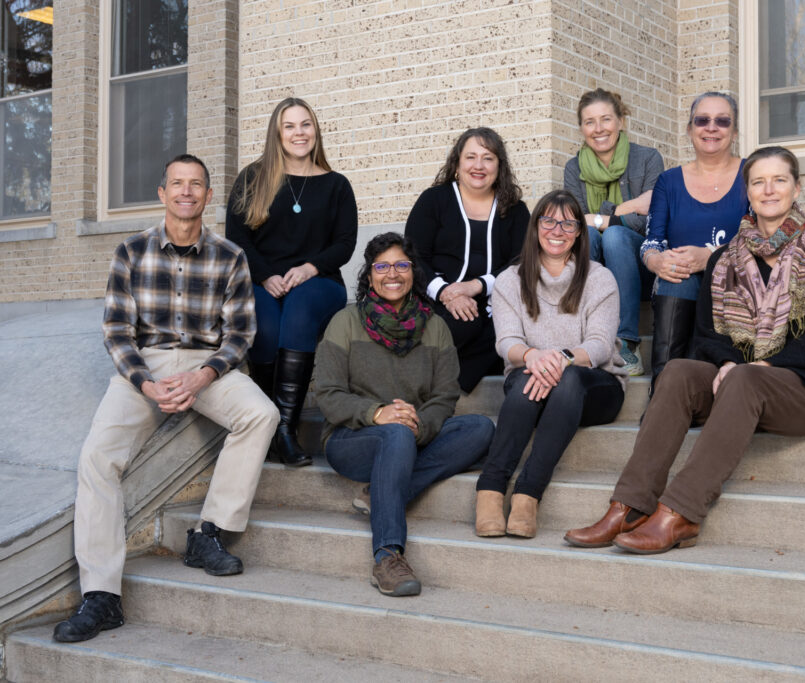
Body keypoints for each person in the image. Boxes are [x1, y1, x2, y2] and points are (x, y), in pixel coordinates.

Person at [565, 146, 805, 554]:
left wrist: (756, 364)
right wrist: (727, 361)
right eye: (758, 181)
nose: (768, 190)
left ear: (797, 187)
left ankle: (679, 513)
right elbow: (706, 335)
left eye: (779, 180)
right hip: (742, 387)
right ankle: (629, 505)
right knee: (680, 371)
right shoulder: (724, 258)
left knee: (747, 376)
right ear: (747, 192)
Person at [53, 155, 279, 643]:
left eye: (196, 184)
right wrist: (147, 385)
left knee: (262, 414)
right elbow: (116, 332)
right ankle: (102, 596)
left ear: (207, 196)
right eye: (177, 184)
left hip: (206, 364)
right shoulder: (130, 252)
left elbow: (241, 334)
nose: (186, 192)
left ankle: (209, 533)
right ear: (162, 193)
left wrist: (203, 376)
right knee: (97, 457)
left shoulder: (229, 256)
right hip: (147, 365)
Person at [314, 232, 494, 597]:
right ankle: (387, 555)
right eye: (382, 266)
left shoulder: (436, 327)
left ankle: (379, 493)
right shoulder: (345, 322)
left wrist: (418, 424)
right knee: (394, 433)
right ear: (369, 274)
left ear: (414, 272)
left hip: (410, 433)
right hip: (352, 439)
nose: (391, 274)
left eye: (401, 265)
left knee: (479, 428)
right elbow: (327, 394)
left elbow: (445, 396)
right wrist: (376, 413)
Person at [475, 190, 627, 539]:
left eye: (568, 223)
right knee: (531, 382)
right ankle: (490, 491)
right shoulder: (511, 281)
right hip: (531, 377)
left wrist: (560, 359)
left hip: (595, 385)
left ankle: (528, 495)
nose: (557, 230)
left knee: (568, 379)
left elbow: (601, 345)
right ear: (535, 227)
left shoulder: (599, 278)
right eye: (548, 221)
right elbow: (507, 342)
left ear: (578, 232)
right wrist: (533, 356)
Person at [226, 97, 357, 467]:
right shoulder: (254, 178)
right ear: (277, 133)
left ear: (315, 130)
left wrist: (310, 268)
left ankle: (285, 429)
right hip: (262, 279)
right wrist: (265, 275)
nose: (299, 133)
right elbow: (237, 238)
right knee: (265, 326)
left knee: (299, 311)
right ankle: (268, 425)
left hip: (319, 282)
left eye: (306, 125)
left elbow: (345, 243)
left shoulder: (336, 185)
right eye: (290, 126)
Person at [405, 127, 530, 393]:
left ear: (500, 165)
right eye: (471, 157)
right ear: (457, 162)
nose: (479, 165)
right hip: (436, 297)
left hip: (495, 299)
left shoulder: (515, 209)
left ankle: (450, 377)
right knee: (465, 324)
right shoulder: (434, 200)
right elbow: (413, 256)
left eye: (488, 158)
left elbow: (521, 262)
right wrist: (446, 292)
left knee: (508, 329)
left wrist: (476, 286)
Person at [641, 91, 750, 387]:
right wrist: (657, 261)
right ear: (690, 129)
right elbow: (652, 240)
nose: (711, 127)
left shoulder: (751, 174)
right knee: (677, 274)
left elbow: (768, 234)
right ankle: (662, 390)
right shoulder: (669, 181)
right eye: (702, 120)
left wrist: (712, 255)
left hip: (737, 281)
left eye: (722, 121)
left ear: (735, 131)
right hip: (681, 282)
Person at [564, 88, 664, 376]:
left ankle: (627, 344)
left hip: (640, 268)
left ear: (621, 121)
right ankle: (588, 337)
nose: (598, 129)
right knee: (594, 236)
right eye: (589, 122)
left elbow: (653, 221)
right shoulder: (574, 168)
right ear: (581, 128)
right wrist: (628, 207)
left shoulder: (647, 159)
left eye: (606, 119)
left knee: (615, 236)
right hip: (593, 265)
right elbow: (575, 224)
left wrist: (600, 218)